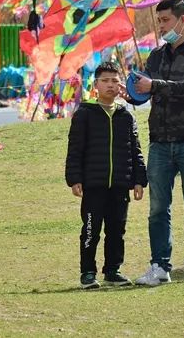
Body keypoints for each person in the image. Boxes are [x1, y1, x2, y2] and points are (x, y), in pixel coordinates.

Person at [133, 0, 184, 285]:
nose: (161, 26)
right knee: (158, 208)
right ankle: (159, 266)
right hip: (160, 140)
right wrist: (131, 92)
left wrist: (154, 85)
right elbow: (146, 91)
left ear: (183, 21)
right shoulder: (156, 56)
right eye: (159, 21)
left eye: (165, 20)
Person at [65, 61, 147, 289]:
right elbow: (75, 149)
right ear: (96, 85)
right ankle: (88, 273)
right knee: (91, 230)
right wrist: (75, 179)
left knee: (117, 230)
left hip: (120, 184)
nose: (110, 85)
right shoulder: (84, 114)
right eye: (105, 81)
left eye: (115, 81)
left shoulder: (126, 116)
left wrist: (139, 180)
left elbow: (135, 149)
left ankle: (113, 271)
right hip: (94, 184)